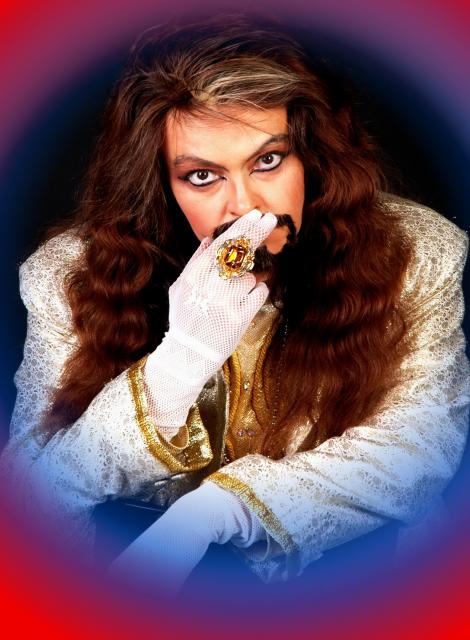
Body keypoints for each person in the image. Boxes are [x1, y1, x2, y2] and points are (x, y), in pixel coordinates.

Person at [1, 12, 469, 593]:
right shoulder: (66, 276)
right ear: (160, 184)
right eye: (202, 176)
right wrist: (179, 362)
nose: (245, 207)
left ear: (310, 157)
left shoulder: (415, 252)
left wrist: (215, 513)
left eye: (268, 161)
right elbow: (36, 494)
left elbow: (418, 448)